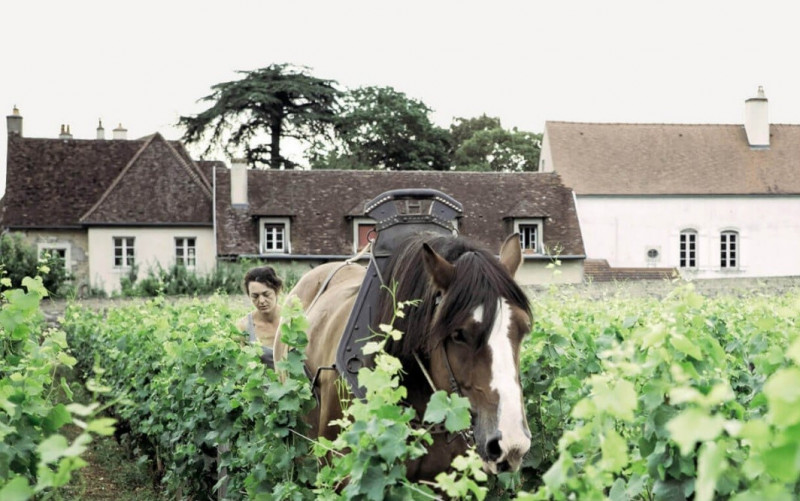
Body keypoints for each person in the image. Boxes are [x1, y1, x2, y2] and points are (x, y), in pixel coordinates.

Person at [235, 266, 283, 368]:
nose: (261, 301)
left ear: (276, 291)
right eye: (255, 296)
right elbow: (240, 368)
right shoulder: (244, 327)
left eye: (266, 294)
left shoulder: (292, 320)